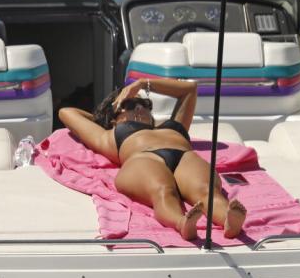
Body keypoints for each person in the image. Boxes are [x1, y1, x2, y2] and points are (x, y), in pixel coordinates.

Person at [58, 78, 246, 240]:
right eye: (130, 105)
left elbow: (190, 89)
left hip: (183, 156)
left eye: (146, 104)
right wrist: (104, 117)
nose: (140, 107)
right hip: (144, 158)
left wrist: (142, 84)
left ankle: (228, 219)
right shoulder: (108, 135)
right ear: (115, 117)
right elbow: (66, 112)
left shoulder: (175, 125)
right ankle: (182, 222)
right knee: (163, 191)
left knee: (206, 191)